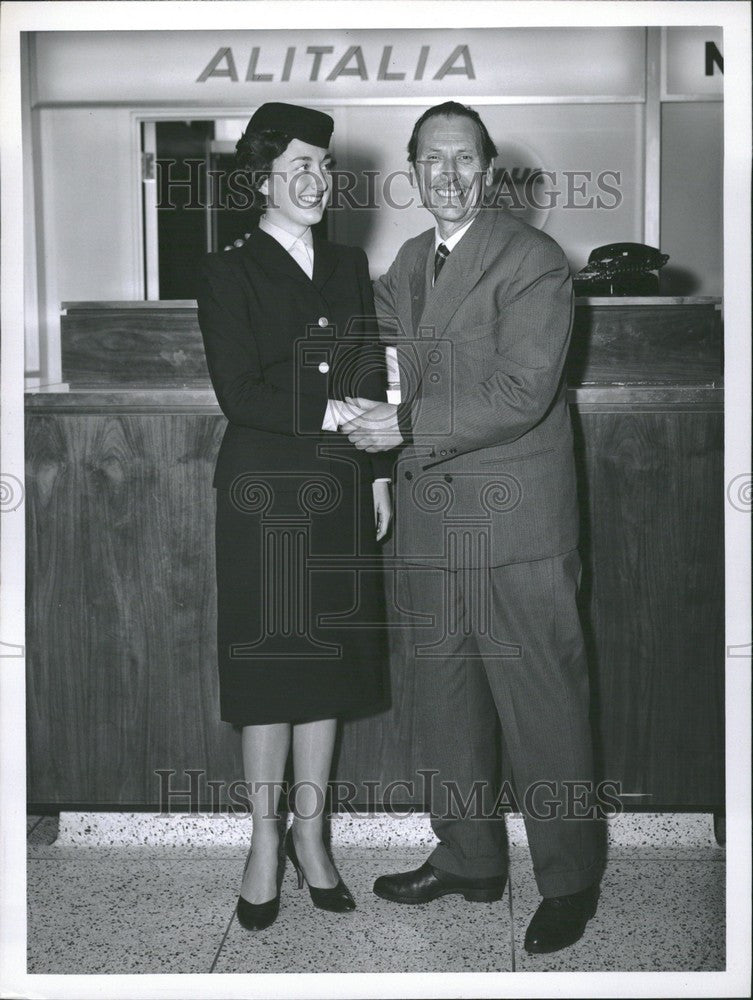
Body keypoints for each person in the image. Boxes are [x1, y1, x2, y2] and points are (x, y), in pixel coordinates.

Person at [339, 101, 604, 955]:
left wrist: (400, 429)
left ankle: (568, 880)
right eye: (430, 161)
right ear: (411, 172)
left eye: (463, 161)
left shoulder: (531, 260)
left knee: (545, 712)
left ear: (488, 172)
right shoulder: (411, 260)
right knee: (444, 706)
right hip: (428, 525)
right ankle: (468, 858)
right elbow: (368, 343)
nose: (446, 176)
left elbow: (522, 393)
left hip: (514, 525)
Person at [196, 102, 392, 932]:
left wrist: (376, 471)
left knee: (326, 671)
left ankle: (313, 840)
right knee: (270, 672)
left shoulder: (348, 264)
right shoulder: (227, 268)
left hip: (343, 487)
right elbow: (239, 391)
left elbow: (367, 363)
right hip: (265, 493)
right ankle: (264, 843)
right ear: (262, 180)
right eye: (298, 167)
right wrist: (339, 415)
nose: (316, 180)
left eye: (324, 164)